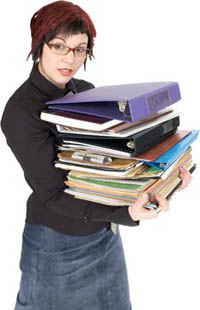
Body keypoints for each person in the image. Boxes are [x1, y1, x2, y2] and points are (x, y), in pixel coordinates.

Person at [0, 1, 192, 309]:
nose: (70, 59)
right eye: (59, 46)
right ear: (39, 45)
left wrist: (162, 179)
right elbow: (51, 195)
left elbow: (115, 163)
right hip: (55, 247)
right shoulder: (20, 112)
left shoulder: (86, 92)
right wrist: (126, 214)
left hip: (105, 236)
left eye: (80, 49)